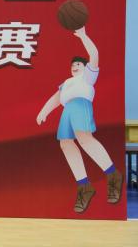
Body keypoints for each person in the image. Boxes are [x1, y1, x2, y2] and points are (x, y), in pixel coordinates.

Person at [36, 26, 123, 213]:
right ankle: (84, 186)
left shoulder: (88, 77)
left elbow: (94, 54)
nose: (74, 66)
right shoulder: (67, 83)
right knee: (65, 143)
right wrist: (44, 111)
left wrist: (83, 36)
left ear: (85, 68)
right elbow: (56, 98)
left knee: (84, 138)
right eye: (72, 65)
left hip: (80, 105)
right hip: (67, 110)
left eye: (78, 64)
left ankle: (112, 175)